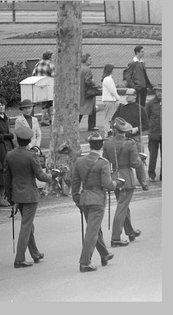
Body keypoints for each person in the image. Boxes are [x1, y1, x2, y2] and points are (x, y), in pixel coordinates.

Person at [4, 126, 53, 268]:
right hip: (30, 195)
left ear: (17, 140)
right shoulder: (31, 156)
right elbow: (41, 176)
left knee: (28, 225)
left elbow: (6, 177)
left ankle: (35, 253)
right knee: (26, 226)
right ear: (29, 140)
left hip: (17, 194)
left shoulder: (10, 155)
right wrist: (52, 176)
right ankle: (19, 258)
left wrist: (9, 196)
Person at [71, 132, 121, 272]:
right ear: (101, 146)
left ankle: (104, 254)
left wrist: (77, 199)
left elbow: (75, 183)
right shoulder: (103, 162)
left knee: (95, 228)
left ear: (90, 145)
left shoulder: (79, 161)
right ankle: (84, 262)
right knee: (92, 231)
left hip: (85, 198)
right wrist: (117, 183)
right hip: (98, 199)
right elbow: (107, 185)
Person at [103, 117, 143, 247]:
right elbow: (135, 163)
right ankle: (115, 237)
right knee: (121, 207)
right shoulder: (130, 143)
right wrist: (141, 159)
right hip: (126, 177)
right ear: (124, 130)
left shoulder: (107, 143)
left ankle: (130, 231)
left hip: (114, 176)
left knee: (123, 206)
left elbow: (105, 162)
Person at [112, 88, 149, 190]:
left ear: (135, 96)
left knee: (139, 161)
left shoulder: (141, 109)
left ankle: (143, 183)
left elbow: (146, 125)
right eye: (126, 95)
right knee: (122, 161)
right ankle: (122, 181)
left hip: (135, 138)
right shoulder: (122, 108)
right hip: (123, 138)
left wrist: (137, 128)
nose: (127, 96)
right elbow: (114, 120)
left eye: (129, 95)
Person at [32, 50, 55, 125]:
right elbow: (53, 74)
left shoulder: (38, 63)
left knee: (47, 102)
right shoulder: (50, 64)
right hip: (48, 85)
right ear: (50, 57)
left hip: (39, 85)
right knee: (47, 103)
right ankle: (42, 120)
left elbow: (33, 74)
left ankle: (51, 119)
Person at [145, 84, 162, 182]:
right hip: (153, 133)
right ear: (155, 92)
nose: (160, 93)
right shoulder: (150, 103)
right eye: (158, 91)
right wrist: (150, 127)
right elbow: (145, 117)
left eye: (162, 91)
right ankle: (151, 174)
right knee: (153, 156)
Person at [79, 53, 99, 131]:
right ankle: (91, 125)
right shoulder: (87, 69)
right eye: (89, 59)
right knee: (91, 108)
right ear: (85, 60)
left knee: (80, 109)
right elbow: (87, 81)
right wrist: (93, 83)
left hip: (79, 91)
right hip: (86, 92)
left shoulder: (79, 68)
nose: (91, 61)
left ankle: (76, 124)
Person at [101, 64, 120, 137]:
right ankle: (108, 133)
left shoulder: (107, 79)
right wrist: (117, 97)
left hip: (108, 100)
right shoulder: (108, 79)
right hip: (110, 100)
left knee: (109, 118)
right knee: (110, 118)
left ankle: (108, 132)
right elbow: (112, 91)